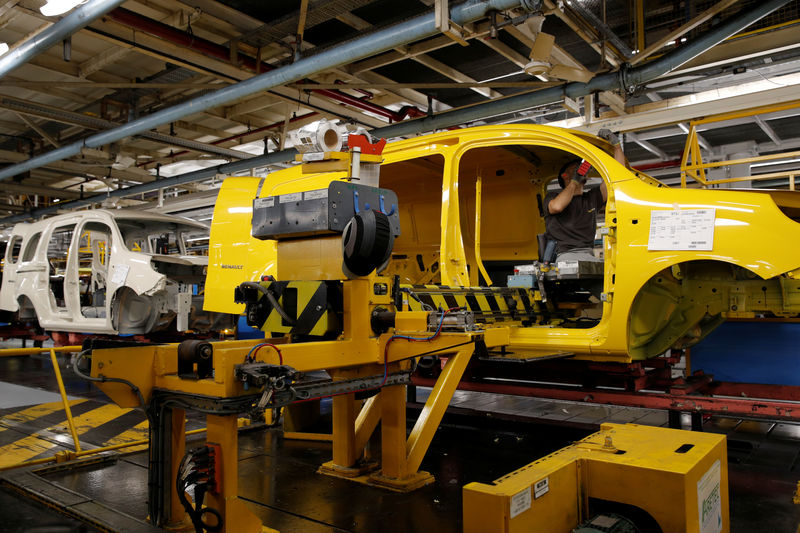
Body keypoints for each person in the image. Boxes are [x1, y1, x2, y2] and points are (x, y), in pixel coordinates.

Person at [543, 129, 623, 263]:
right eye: (575, 169)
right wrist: (574, 181)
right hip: (565, 255)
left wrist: (617, 146)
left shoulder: (591, 198)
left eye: (582, 168)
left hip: (588, 253)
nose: (580, 170)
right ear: (565, 176)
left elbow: (617, 178)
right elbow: (556, 207)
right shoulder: (552, 197)